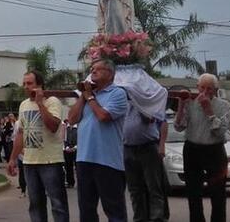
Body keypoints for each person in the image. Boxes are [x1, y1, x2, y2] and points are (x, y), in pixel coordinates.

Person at [67, 59, 129, 222]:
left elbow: (103, 116)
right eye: (92, 69)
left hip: (107, 161)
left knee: (114, 210)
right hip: (84, 159)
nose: (92, 72)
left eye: (97, 69)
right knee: (86, 210)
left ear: (109, 74)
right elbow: (71, 119)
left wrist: (90, 98)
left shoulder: (118, 93)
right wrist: (83, 96)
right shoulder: (87, 96)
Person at [7, 71, 69, 222]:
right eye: (24, 84)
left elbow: (53, 126)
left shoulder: (52, 101)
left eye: (29, 83)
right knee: (35, 204)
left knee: (58, 204)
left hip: (50, 161)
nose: (26, 87)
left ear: (39, 85)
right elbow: (21, 134)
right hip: (29, 162)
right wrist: (13, 158)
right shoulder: (24, 105)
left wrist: (40, 103)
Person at [174, 73, 230, 222]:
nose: (205, 92)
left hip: (214, 150)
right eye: (202, 88)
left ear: (215, 90)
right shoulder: (190, 103)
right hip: (192, 149)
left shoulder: (225, 106)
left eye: (210, 89)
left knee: (218, 192)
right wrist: (181, 106)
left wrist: (209, 111)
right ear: (197, 88)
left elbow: (220, 132)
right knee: (193, 192)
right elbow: (179, 127)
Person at [123, 99, 170, 222]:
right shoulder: (122, 101)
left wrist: (162, 145)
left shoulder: (148, 101)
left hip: (148, 147)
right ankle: (139, 218)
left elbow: (151, 119)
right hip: (128, 148)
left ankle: (157, 218)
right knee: (134, 189)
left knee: (154, 186)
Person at [62, 120, 77, 188]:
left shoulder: (77, 128)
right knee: (68, 167)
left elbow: (80, 138)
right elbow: (64, 139)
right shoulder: (66, 128)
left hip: (76, 149)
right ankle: (70, 182)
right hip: (67, 149)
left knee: (78, 167)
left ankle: (80, 183)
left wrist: (75, 147)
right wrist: (67, 147)